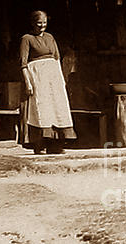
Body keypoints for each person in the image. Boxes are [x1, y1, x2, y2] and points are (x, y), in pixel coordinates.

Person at [20, 10, 76, 154]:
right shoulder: (27, 38)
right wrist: (28, 83)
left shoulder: (50, 37)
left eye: (44, 23)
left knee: (57, 108)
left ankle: (56, 144)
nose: (42, 26)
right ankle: (40, 144)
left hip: (53, 77)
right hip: (38, 77)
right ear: (33, 23)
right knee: (41, 110)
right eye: (39, 23)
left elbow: (57, 58)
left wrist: (61, 79)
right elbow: (23, 63)